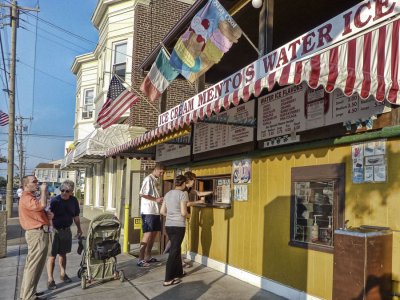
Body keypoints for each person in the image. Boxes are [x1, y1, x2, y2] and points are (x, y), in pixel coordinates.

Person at [19, 175, 51, 300]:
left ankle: (28, 292)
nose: (37, 183)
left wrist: (47, 216)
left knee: (34, 265)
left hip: (38, 232)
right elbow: (41, 205)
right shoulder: (26, 197)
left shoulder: (30, 197)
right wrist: (43, 190)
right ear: (26, 185)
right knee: (33, 266)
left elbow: (38, 210)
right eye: (34, 181)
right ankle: (28, 296)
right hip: (36, 233)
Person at [46, 180, 82, 290]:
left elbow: (76, 216)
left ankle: (63, 274)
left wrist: (79, 228)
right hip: (55, 231)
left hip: (66, 230)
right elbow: (48, 216)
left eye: (67, 191)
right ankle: (50, 279)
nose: (64, 193)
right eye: (62, 190)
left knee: (63, 254)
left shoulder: (74, 200)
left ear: (72, 192)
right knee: (52, 256)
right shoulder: (55, 201)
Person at [160, 175, 189, 286]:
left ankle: (179, 273)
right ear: (183, 183)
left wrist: (171, 215)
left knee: (176, 249)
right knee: (174, 251)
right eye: (185, 183)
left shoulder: (167, 194)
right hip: (178, 226)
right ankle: (168, 279)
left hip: (169, 225)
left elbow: (162, 211)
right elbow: (183, 213)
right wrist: (189, 216)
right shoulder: (182, 194)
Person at [137, 163, 164, 267]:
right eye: (161, 172)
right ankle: (140, 259)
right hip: (148, 210)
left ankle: (148, 256)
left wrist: (159, 199)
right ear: (156, 170)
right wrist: (156, 199)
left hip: (155, 210)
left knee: (154, 234)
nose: (162, 174)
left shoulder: (156, 180)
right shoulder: (148, 179)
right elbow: (142, 193)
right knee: (147, 234)